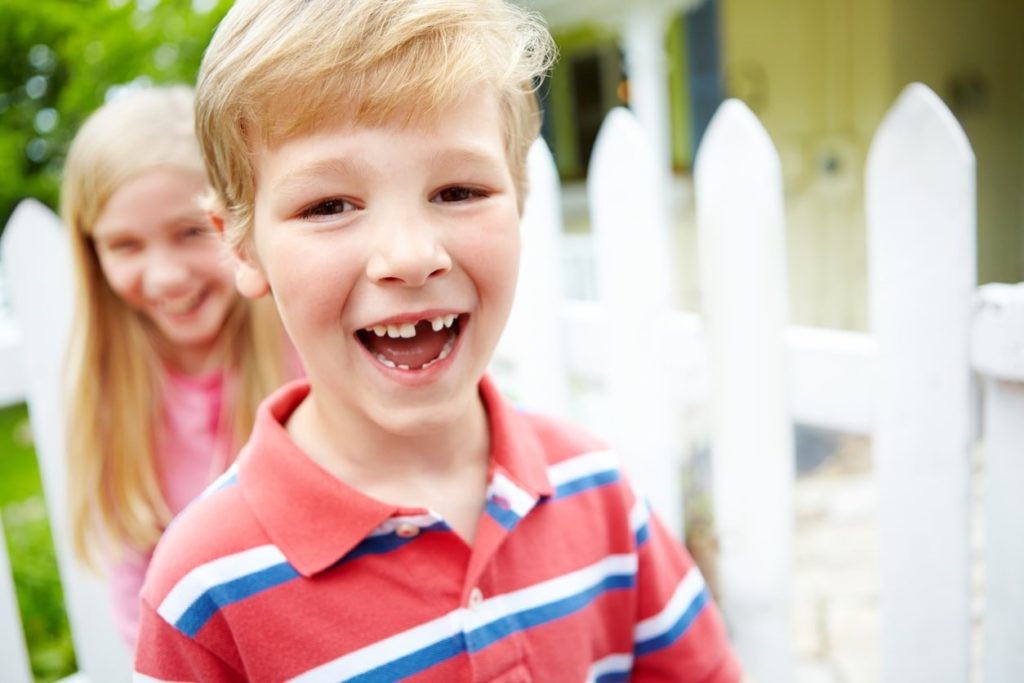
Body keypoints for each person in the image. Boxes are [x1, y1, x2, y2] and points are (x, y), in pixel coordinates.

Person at [134, 1, 744, 680]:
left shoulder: (595, 488)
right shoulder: (206, 588)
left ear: (520, 198)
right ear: (240, 246)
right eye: (329, 205)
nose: (410, 254)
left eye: (458, 190)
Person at [61, 85, 296, 649]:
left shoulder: (304, 353)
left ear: (236, 221)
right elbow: (134, 586)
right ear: (93, 254)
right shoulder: (112, 391)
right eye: (126, 245)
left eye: (190, 233)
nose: (165, 276)